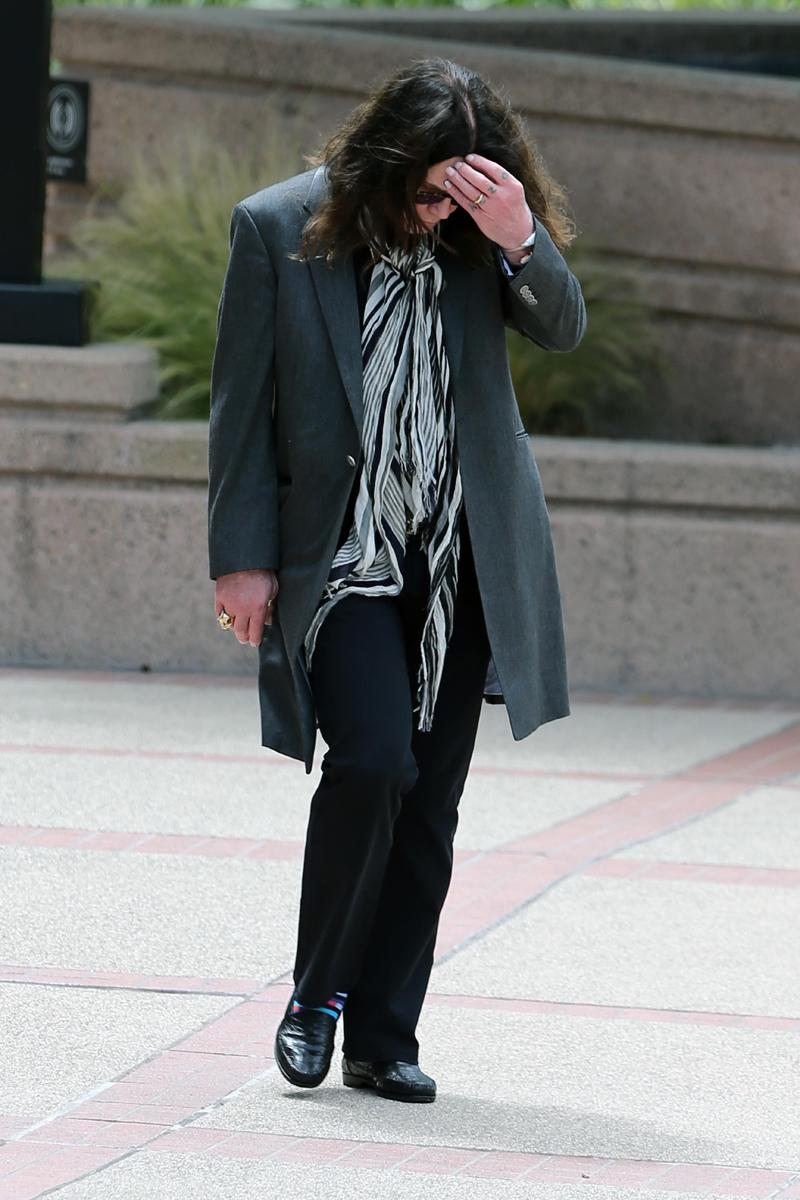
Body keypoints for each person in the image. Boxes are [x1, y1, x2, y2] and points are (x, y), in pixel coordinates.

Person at [208, 57, 587, 1103]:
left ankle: (384, 1033)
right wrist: (239, 559)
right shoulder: (277, 228)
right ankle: (315, 996)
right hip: (345, 558)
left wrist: (517, 237)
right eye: (421, 192)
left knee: (430, 802)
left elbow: (562, 325)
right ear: (380, 164)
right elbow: (240, 411)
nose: (432, 213)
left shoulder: (480, 242)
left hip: (459, 559)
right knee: (372, 763)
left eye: (455, 195)